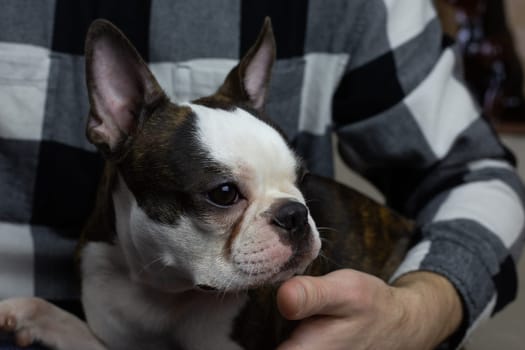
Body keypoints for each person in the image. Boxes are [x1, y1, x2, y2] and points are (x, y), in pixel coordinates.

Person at [0, 1, 523, 349]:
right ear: (114, 121)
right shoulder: (102, 258)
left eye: (293, 182)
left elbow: (475, 174)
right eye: (225, 194)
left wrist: (418, 312)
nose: (294, 215)